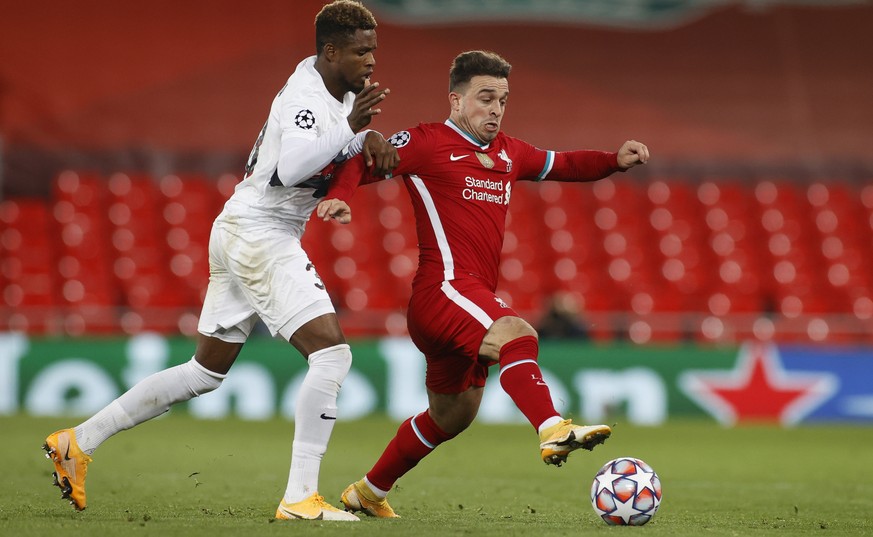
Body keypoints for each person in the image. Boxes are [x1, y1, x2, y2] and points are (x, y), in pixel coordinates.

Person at [42, 0, 399, 522]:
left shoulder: (325, 93)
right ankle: (301, 497)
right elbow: (295, 165)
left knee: (204, 373)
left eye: (374, 51)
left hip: (244, 227)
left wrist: (359, 133)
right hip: (261, 232)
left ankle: (78, 440)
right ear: (330, 50)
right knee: (332, 356)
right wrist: (355, 128)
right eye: (361, 52)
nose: (371, 62)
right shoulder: (306, 97)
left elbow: (326, 150)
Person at [317, 50, 649, 518]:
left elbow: (566, 164)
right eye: (485, 98)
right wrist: (339, 197)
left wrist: (613, 160)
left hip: (461, 300)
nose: (495, 109)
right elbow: (364, 161)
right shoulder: (428, 142)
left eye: (503, 101)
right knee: (517, 332)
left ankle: (367, 492)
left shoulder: (509, 153)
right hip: (444, 289)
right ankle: (552, 427)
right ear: (456, 100)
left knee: (454, 415)